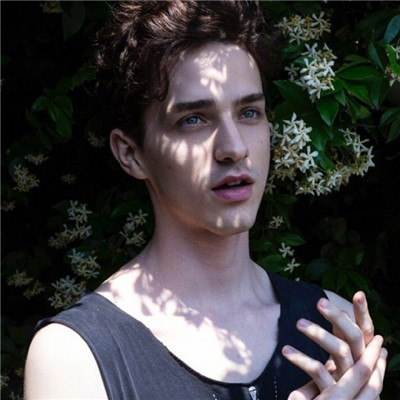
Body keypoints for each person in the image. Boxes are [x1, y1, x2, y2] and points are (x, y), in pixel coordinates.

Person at [24, 2, 387, 399]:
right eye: (193, 120)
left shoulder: (335, 328)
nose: (233, 148)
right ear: (131, 154)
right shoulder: (73, 357)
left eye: (249, 112)